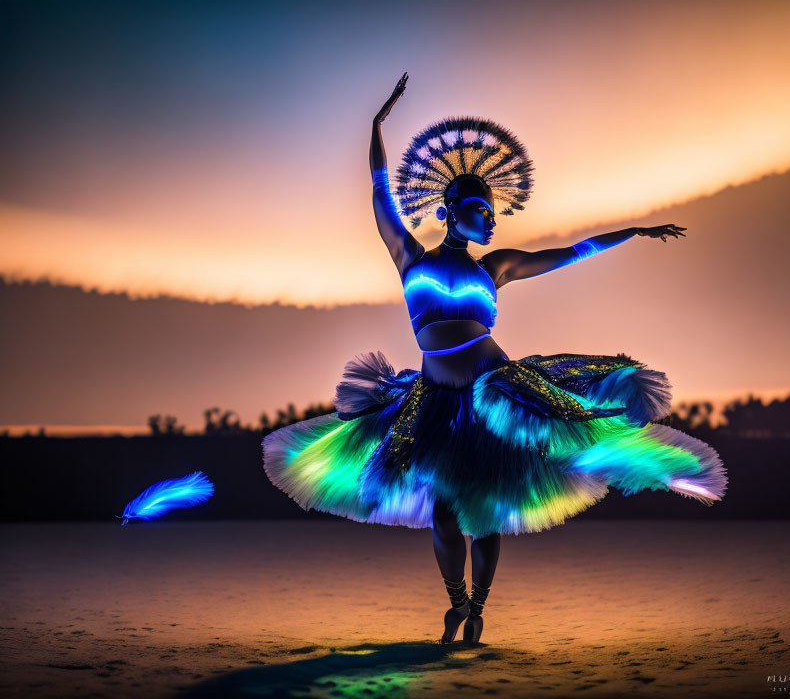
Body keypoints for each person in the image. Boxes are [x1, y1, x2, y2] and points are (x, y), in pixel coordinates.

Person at [262, 72, 727, 644]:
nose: (493, 221)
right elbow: (379, 188)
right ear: (454, 209)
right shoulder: (409, 256)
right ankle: (455, 601)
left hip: (493, 392)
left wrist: (630, 231)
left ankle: (479, 606)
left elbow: (571, 252)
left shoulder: (496, 266)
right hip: (432, 399)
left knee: (484, 508)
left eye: (493, 214)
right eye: (484, 211)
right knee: (442, 512)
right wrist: (378, 124)